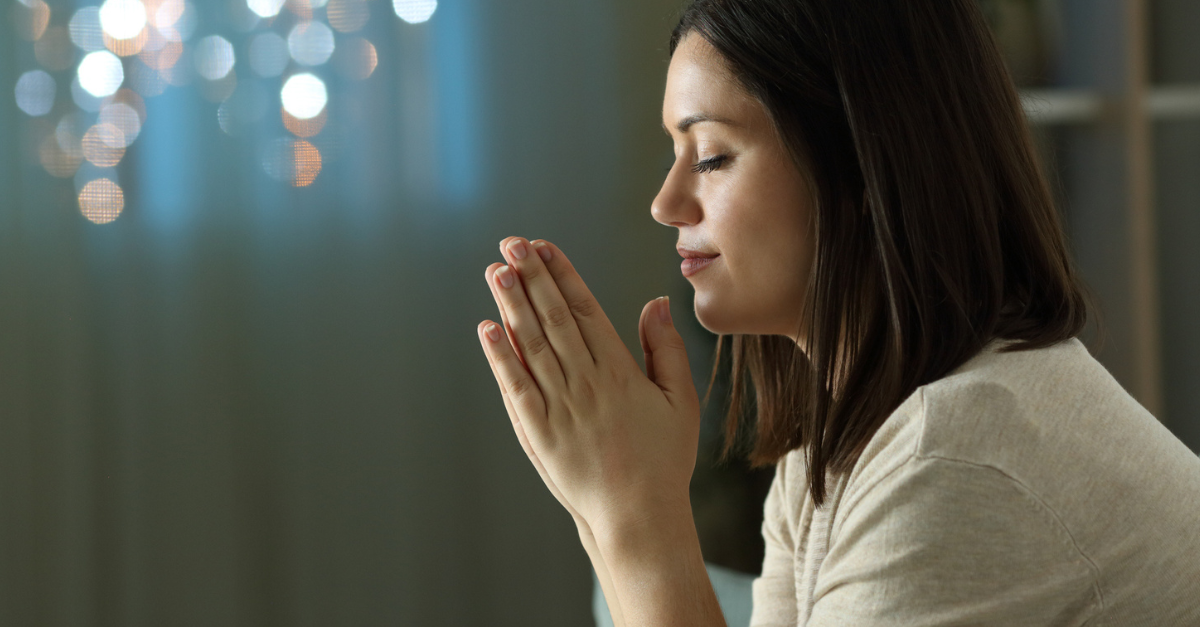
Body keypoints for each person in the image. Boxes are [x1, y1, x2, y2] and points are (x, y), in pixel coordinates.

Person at [476, 0, 1200, 625]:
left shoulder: (948, 468)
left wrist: (636, 514)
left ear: (858, 163)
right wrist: (602, 495)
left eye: (713, 156)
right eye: (676, 151)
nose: (666, 204)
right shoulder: (840, 446)